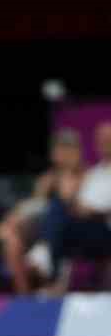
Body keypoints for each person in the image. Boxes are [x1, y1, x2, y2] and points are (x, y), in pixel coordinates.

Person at [0, 128, 84, 294]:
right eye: (58, 148)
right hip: (37, 227)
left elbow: (67, 199)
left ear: (75, 151)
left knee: (49, 213)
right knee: (12, 241)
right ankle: (24, 295)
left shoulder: (84, 174)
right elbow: (36, 203)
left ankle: (43, 255)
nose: (60, 153)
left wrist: (66, 172)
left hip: (68, 227)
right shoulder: (47, 178)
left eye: (65, 149)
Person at [33, 122, 111, 294]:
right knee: (57, 207)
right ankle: (45, 256)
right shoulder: (95, 172)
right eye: (100, 139)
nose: (102, 143)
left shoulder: (86, 172)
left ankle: (45, 254)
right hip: (81, 223)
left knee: (57, 211)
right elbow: (72, 199)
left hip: (104, 227)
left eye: (107, 139)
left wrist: (91, 210)